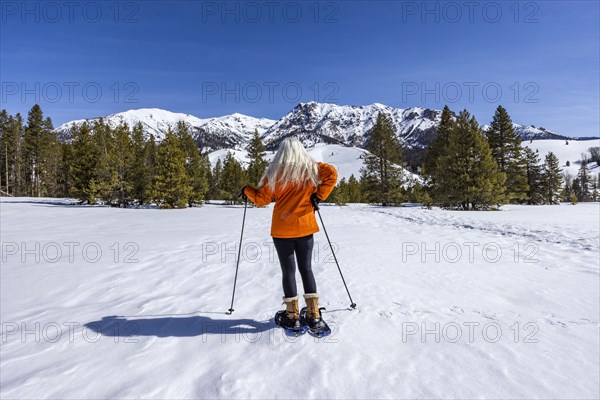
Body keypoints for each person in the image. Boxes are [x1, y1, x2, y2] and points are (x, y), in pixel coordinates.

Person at [241, 137, 338, 333]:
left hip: (282, 230)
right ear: (301, 151)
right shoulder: (310, 170)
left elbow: (261, 200)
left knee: (288, 271)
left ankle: (292, 316)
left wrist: (246, 190)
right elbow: (332, 174)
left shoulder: (275, 174)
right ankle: (313, 314)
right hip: (305, 227)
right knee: (307, 269)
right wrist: (318, 195)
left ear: (282, 153)